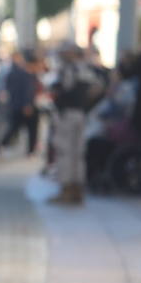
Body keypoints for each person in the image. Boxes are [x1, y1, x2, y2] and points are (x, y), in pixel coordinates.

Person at [48, 42, 102, 204]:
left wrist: (62, 98)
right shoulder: (86, 69)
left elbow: (63, 91)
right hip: (81, 114)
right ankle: (76, 189)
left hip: (68, 114)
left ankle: (67, 189)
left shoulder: (69, 69)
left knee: (66, 152)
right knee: (78, 153)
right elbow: (98, 88)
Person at [0, 49, 40, 157]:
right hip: (23, 106)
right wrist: (27, 104)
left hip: (17, 105)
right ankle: (29, 150)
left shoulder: (15, 72)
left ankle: (4, 144)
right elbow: (26, 90)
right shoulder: (23, 74)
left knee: (16, 127)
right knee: (23, 128)